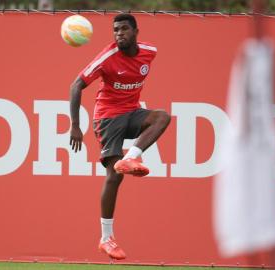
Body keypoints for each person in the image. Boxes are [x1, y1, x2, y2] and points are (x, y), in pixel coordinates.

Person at [69, 13, 171, 260]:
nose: (119, 34)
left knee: (162, 117)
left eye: (124, 29)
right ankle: (106, 238)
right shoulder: (107, 57)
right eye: (115, 30)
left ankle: (132, 157)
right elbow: (76, 85)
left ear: (136, 32)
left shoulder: (150, 52)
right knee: (114, 177)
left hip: (132, 112)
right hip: (107, 118)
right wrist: (75, 125)